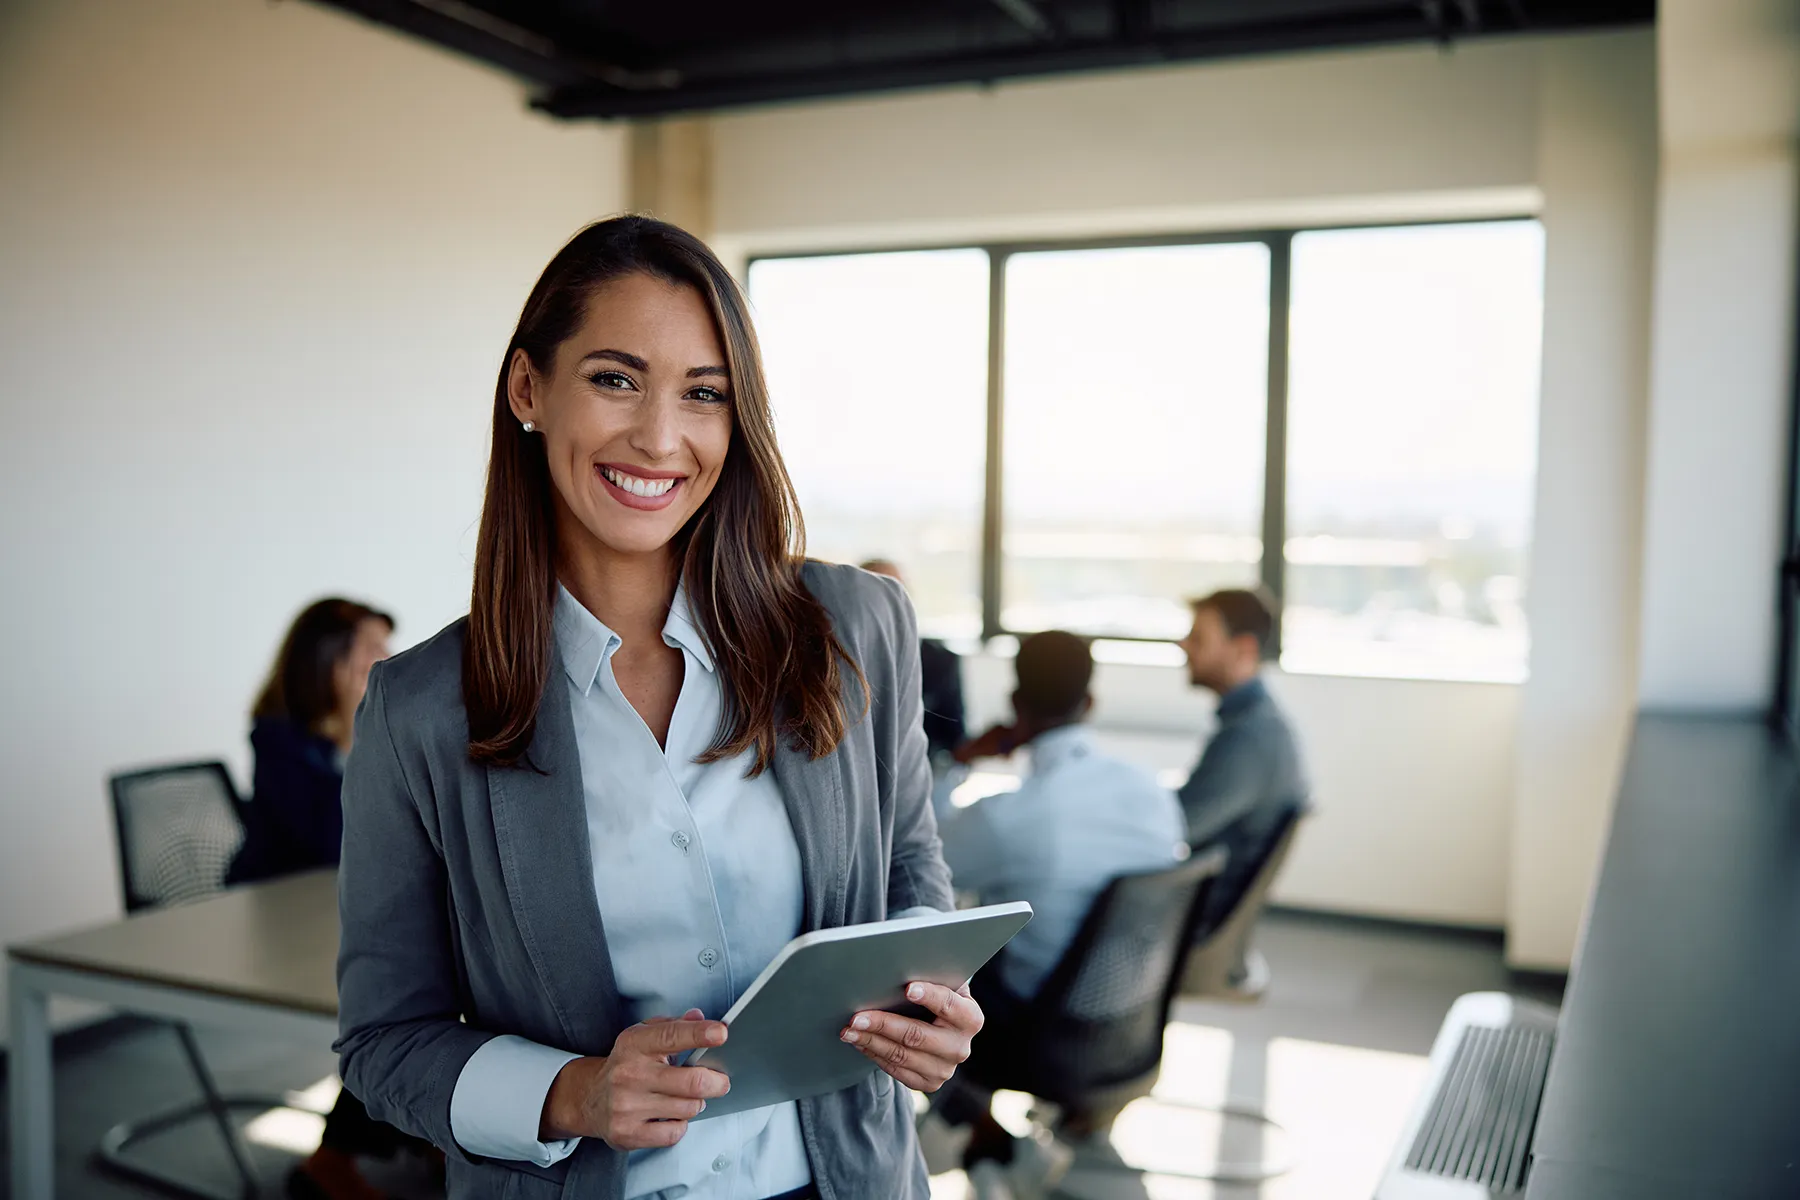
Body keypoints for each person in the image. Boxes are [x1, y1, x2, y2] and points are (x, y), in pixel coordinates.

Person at [334, 216, 980, 1200]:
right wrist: (572, 1094)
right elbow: (384, 1043)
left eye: (704, 394)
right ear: (527, 392)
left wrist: (929, 1001)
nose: (660, 436)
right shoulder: (420, 707)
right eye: (615, 378)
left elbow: (905, 861)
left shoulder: (855, 626)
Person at [935, 631, 1184, 1198]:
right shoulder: (1152, 791)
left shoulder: (1013, 818)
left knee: (911, 991)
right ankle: (1074, 1122)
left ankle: (985, 1132)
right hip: (1128, 1014)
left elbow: (918, 857)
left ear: (1016, 708)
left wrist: (957, 762)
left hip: (1035, 1033)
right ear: (1090, 704)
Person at [225, 598, 414, 1200]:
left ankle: (425, 1132)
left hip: (335, 911)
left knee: (426, 982)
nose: (387, 663)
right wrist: (365, 734)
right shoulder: (280, 739)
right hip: (274, 920)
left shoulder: (376, 728)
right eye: (372, 651)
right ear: (331, 661)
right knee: (393, 999)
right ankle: (331, 1163)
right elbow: (332, 838)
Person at [1175, 589, 1311, 966]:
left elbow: (1173, 828)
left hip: (1195, 924)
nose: (1184, 645)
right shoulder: (1258, 722)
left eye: (1198, 638)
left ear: (1243, 650)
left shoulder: (1250, 738)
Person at [859, 558, 967, 821]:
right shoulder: (830, 661)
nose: (886, 605)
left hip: (921, 774)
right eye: (874, 594)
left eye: (895, 592)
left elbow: (956, 736)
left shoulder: (940, 660)